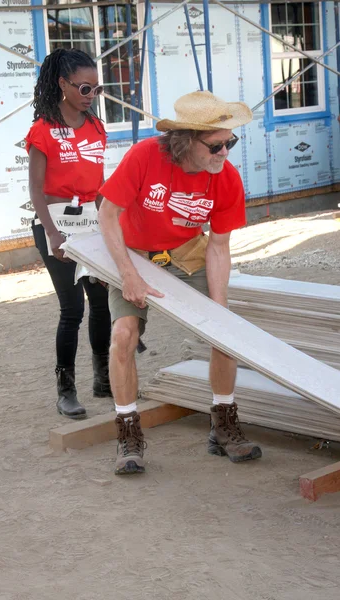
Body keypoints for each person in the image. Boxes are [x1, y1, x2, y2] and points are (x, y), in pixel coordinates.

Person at [98, 90, 262, 475]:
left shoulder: (227, 178)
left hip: (187, 251)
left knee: (224, 333)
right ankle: (128, 432)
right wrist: (128, 273)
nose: (225, 152)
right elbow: (108, 216)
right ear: (186, 142)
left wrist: (217, 306)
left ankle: (222, 423)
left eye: (230, 142)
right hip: (134, 252)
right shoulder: (144, 157)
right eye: (216, 145)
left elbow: (219, 246)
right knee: (124, 335)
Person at [26, 48, 112, 420]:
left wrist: (112, 224)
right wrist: (53, 234)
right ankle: (66, 390)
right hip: (56, 223)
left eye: (97, 87)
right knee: (72, 309)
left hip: (92, 220)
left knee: (102, 303)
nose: (91, 94)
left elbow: (100, 183)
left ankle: (104, 378)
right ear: (62, 84)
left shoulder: (96, 126)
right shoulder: (41, 130)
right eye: (84, 87)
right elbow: (36, 190)